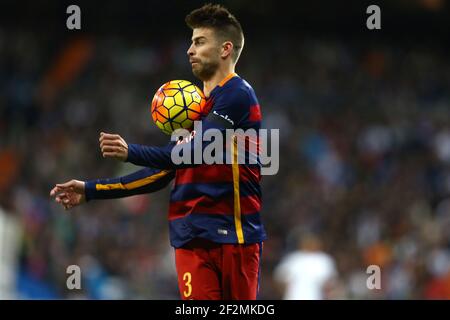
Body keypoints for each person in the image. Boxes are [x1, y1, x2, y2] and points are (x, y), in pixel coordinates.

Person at [50, 4, 267, 300]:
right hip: (190, 238)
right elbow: (159, 175)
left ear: (225, 49)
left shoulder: (237, 94)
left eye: (199, 42)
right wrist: (90, 190)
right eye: (191, 42)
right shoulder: (194, 110)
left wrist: (131, 152)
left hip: (235, 236)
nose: (190, 50)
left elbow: (196, 153)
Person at [273, 232, 338, 300]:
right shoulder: (293, 258)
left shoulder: (324, 259)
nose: (310, 244)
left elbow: (330, 283)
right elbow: (279, 279)